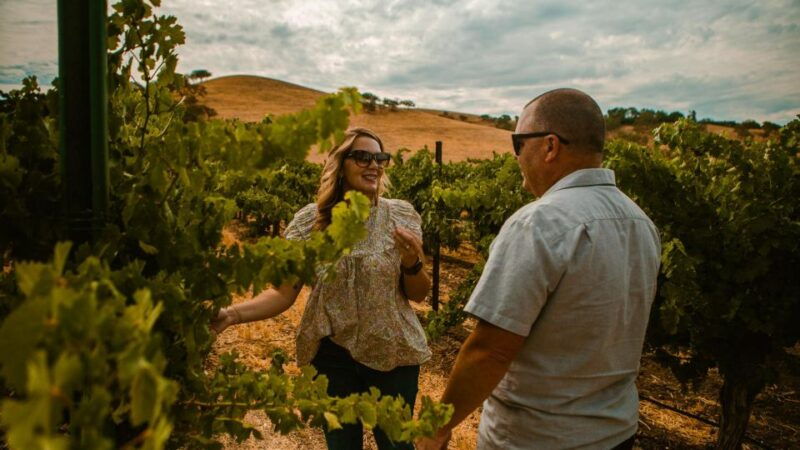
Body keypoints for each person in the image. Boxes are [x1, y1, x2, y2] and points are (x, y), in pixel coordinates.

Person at [417, 89, 661, 450]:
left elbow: (491, 350)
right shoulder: (641, 223)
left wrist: (438, 426)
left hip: (536, 438)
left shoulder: (540, 222)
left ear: (550, 146)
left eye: (519, 143)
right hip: (615, 434)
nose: (516, 156)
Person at [212, 127, 432, 450]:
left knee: (398, 446)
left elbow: (418, 293)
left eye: (380, 158)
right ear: (340, 164)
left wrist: (413, 262)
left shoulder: (399, 216)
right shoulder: (308, 224)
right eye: (362, 157)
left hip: (392, 353)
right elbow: (284, 293)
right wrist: (231, 315)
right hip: (333, 356)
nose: (374, 165)